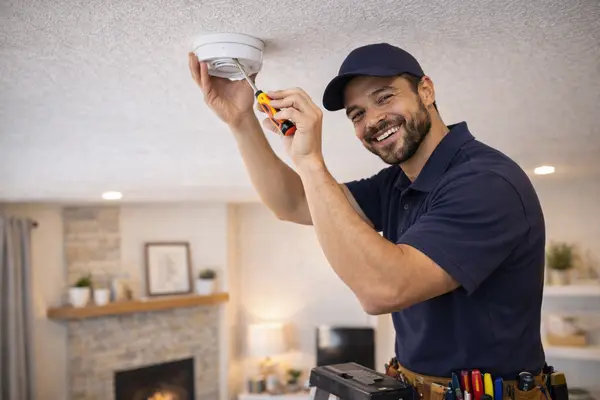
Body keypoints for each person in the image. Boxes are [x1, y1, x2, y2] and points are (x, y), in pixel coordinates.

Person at [188, 43, 552, 398]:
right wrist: (241, 120)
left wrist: (312, 162)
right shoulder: (398, 182)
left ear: (426, 90)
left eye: (385, 98)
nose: (373, 120)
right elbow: (296, 203)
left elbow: (383, 289)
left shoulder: (485, 182)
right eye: (357, 114)